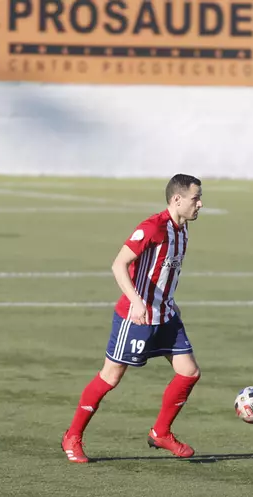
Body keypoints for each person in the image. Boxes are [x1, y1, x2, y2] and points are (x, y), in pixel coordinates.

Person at [60, 174, 205, 463]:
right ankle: (72, 436)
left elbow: (164, 272)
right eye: (195, 198)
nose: (200, 204)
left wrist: (170, 303)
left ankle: (160, 432)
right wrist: (137, 302)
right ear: (177, 199)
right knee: (110, 376)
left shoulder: (183, 229)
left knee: (189, 372)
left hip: (165, 315)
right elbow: (119, 265)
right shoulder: (152, 227)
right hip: (135, 317)